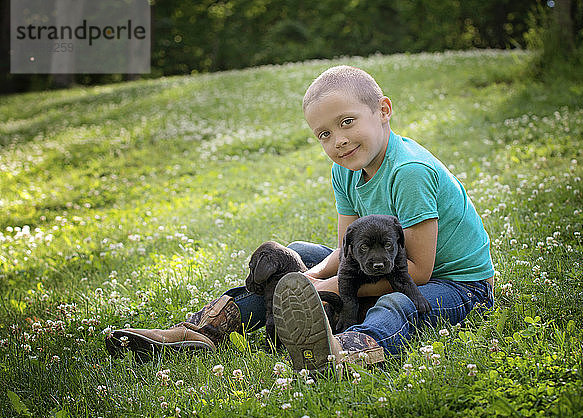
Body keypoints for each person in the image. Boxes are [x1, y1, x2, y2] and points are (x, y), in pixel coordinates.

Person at [106, 65, 495, 373]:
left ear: (383, 110)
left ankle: (347, 351)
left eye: (346, 122)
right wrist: (308, 278)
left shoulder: (408, 172)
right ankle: (204, 331)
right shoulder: (346, 167)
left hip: (457, 285)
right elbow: (347, 250)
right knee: (294, 256)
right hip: (383, 264)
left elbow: (418, 272)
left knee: (395, 300)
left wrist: (326, 289)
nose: (337, 140)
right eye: (324, 134)